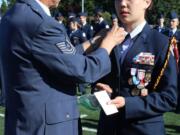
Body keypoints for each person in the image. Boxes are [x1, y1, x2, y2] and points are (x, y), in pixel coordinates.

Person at [0, 0, 126, 135]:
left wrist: (94, 42)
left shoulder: (13, 15)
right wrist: (108, 43)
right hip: (46, 127)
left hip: (25, 120)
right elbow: (83, 71)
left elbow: (62, 57)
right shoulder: (41, 23)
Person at [95, 0, 178, 135]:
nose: (122, 3)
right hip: (108, 127)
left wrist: (128, 104)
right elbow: (98, 77)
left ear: (146, 2)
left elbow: (169, 98)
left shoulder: (160, 43)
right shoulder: (106, 37)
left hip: (142, 129)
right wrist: (97, 87)